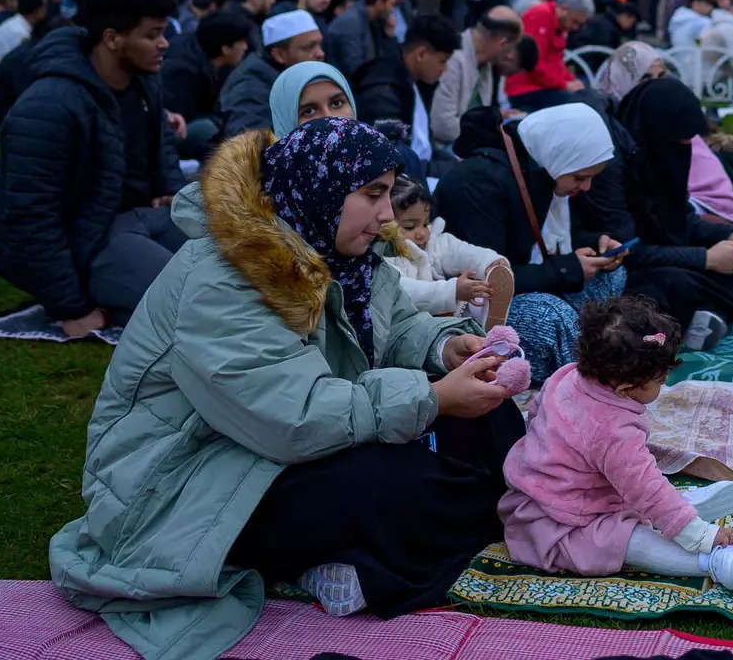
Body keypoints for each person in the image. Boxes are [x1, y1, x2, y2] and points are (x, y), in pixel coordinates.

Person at [49, 117, 521, 655]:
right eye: (373, 194)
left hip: (274, 448)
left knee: (490, 419)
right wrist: (433, 397)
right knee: (397, 482)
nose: (387, 213)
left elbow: (397, 327)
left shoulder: (342, 250)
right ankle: (331, 562)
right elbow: (294, 417)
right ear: (321, 187)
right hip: (189, 477)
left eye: (388, 194)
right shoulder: (224, 277)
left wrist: (444, 350)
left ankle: (450, 524)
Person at [499, 295, 733, 590]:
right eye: (660, 380)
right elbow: (644, 486)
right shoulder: (613, 432)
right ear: (625, 388)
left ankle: (676, 512)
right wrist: (703, 537)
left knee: (644, 491)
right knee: (626, 539)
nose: (665, 384)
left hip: (562, 491)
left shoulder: (567, 374)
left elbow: (536, 412)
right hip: (559, 521)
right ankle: (710, 560)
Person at [0, 0, 186, 334]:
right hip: (88, 242)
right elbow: (28, 217)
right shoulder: (49, 105)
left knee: (245, 262)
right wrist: (71, 307)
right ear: (112, 39)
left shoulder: (143, 79)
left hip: (144, 216)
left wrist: (173, 189)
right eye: (153, 35)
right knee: (193, 301)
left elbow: (160, 143)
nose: (164, 44)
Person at [435, 102, 629, 382]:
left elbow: (549, 241)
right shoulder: (478, 182)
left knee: (611, 277)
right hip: (477, 307)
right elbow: (490, 280)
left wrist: (596, 245)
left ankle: (580, 350)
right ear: (558, 155)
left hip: (530, 280)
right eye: (580, 177)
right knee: (550, 315)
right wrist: (569, 269)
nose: (585, 187)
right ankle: (585, 383)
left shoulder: (541, 172)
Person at [606, 77, 733, 338]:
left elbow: (682, 218)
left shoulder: (660, 160)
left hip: (662, 255)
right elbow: (628, 251)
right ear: (655, 132)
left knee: (722, 268)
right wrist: (705, 260)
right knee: (671, 286)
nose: (684, 151)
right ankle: (704, 315)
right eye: (678, 143)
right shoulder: (615, 171)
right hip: (629, 268)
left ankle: (710, 309)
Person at [382, 176, 511, 322]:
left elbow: (459, 251)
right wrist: (453, 291)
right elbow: (405, 291)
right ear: (385, 225)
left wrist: (487, 262)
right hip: (407, 326)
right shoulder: (386, 258)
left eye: (425, 223)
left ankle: (485, 315)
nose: (422, 233)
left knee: (474, 296)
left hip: (439, 317)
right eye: (410, 227)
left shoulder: (433, 241)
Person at [217, 10, 328, 138]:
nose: (320, 53)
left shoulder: (298, 74)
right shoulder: (249, 86)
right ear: (279, 55)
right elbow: (251, 144)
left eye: (320, 44)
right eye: (309, 47)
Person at [428, 7, 522, 153]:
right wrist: (484, 130)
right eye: (509, 50)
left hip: (470, 141)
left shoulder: (486, 63)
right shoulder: (453, 59)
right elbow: (443, 127)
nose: (509, 56)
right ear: (502, 43)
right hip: (446, 149)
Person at [161, 10, 252, 155]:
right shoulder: (182, 73)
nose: (245, 47)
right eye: (242, 43)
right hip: (172, 137)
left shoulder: (214, 61)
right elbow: (179, 120)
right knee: (207, 129)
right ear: (226, 49)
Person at [325, 0, 411, 122]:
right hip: (346, 90)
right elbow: (354, 67)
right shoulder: (351, 22)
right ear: (379, 3)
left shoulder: (376, 21)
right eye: (390, 3)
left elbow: (387, 59)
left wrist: (389, 35)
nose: (392, 9)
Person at [505, 0, 593, 111]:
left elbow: (557, 63)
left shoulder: (560, 24)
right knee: (578, 105)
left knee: (590, 96)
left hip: (546, 86)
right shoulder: (540, 16)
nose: (575, 28)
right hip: (527, 89)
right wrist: (565, 84)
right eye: (574, 22)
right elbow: (534, 65)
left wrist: (572, 81)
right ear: (563, 9)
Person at [0, 0, 48, 72]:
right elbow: (18, 64)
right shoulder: (18, 32)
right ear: (36, 10)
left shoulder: (18, 24)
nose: (46, 10)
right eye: (44, 7)